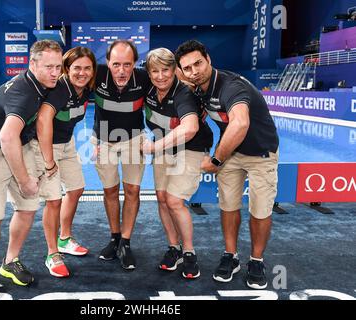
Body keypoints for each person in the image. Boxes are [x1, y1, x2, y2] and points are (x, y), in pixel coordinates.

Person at [175, 40, 279, 289]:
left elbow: (240, 124)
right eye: (187, 68)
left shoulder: (231, 86)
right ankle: (230, 256)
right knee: (228, 205)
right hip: (232, 152)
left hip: (260, 153)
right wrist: (184, 76)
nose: (194, 71)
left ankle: (256, 260)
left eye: (198, 63)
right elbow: (180, 75)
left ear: (209, 59)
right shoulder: (198, 85)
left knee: (260, 210)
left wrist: (215, 160)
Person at [0, 40, 63, 297]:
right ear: (32, 64)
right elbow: (6, 136)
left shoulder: (42, 84)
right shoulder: (25, 91)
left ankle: (10, 261)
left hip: (17, 146)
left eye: (58, 66)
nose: (55, 72)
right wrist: (23, 180)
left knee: (28, 206)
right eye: (49, 67)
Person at [141, 48, 213, 279]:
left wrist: (153, 147)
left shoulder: (184, 93)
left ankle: (189, 251)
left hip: (189, 147)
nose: (160, 76)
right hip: (164, 147)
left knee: (174, 200)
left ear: (174, 71)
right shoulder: (148, 86)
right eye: (155, 71)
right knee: (162, 198)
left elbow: (190, 128)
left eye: (166, 70)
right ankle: (174, 247)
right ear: (149, 72)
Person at [35, 46, 96, 277]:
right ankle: (52, 254)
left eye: (87, 68)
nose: (82, 72)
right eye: (76, 68)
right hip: (46, 146)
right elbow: (43, 119)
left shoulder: (86, 89)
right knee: (53, 200)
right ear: (66, 69)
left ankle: (64, 239)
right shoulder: (61, 88)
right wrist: (49, 160)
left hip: (67, 142)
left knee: (76, 188)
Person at [92, 40, 151, 270]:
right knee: (109, 190)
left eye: (127, 64)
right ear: (107, 62)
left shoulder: (144, 78)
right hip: (104, 139)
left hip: (134, 138)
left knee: (132, 190)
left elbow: (174, 80)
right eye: (116, 64)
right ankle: (114, 237)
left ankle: (125, 242)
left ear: (135, 63)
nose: (122, 70)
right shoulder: (96, 75)